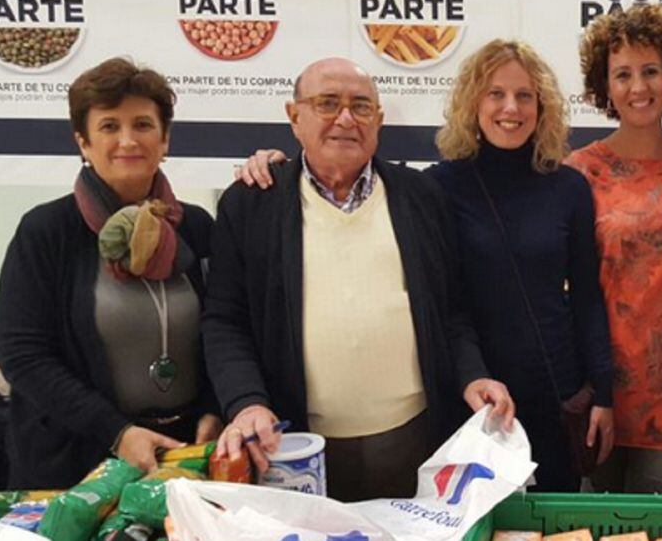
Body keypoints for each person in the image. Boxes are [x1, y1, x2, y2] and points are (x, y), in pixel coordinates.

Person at [203, 56, 513, 502]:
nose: (345, 118)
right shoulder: (252, 203)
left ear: (379, 120)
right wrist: (246, 402)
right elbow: (225, 321)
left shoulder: (421, 196)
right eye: (327, 103)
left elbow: (451, 311)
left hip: (414, 437)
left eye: (361, 106)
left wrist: (472, 375)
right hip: (295, 449)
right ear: (294, 116)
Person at [0, 57, 220, 489]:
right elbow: (22, 354)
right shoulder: (46, 231)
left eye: (142, 124)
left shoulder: (197, 227)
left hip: (186, 454)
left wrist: (215, 408)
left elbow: (225, 330)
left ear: (165, 138)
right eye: (110, 126)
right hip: (76, 463)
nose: (128, 140)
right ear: (83, 142)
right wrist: (117, 433)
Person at [427, 39, 615, 491]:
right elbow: (446, 307)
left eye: (524, 95)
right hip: (476, 402)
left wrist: (603, 396)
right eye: (496, 93)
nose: (510, 107)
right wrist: (273, 166)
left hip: (558, 398)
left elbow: (588, 297)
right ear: (473, 102)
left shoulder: (568, 187)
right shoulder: (437, 188)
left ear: (542, 105)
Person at [565, 4, 662, 493]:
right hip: (599, 390)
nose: (638, 87)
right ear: (604, 87)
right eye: (622, 74)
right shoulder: (580, 172)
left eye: (651, 71)